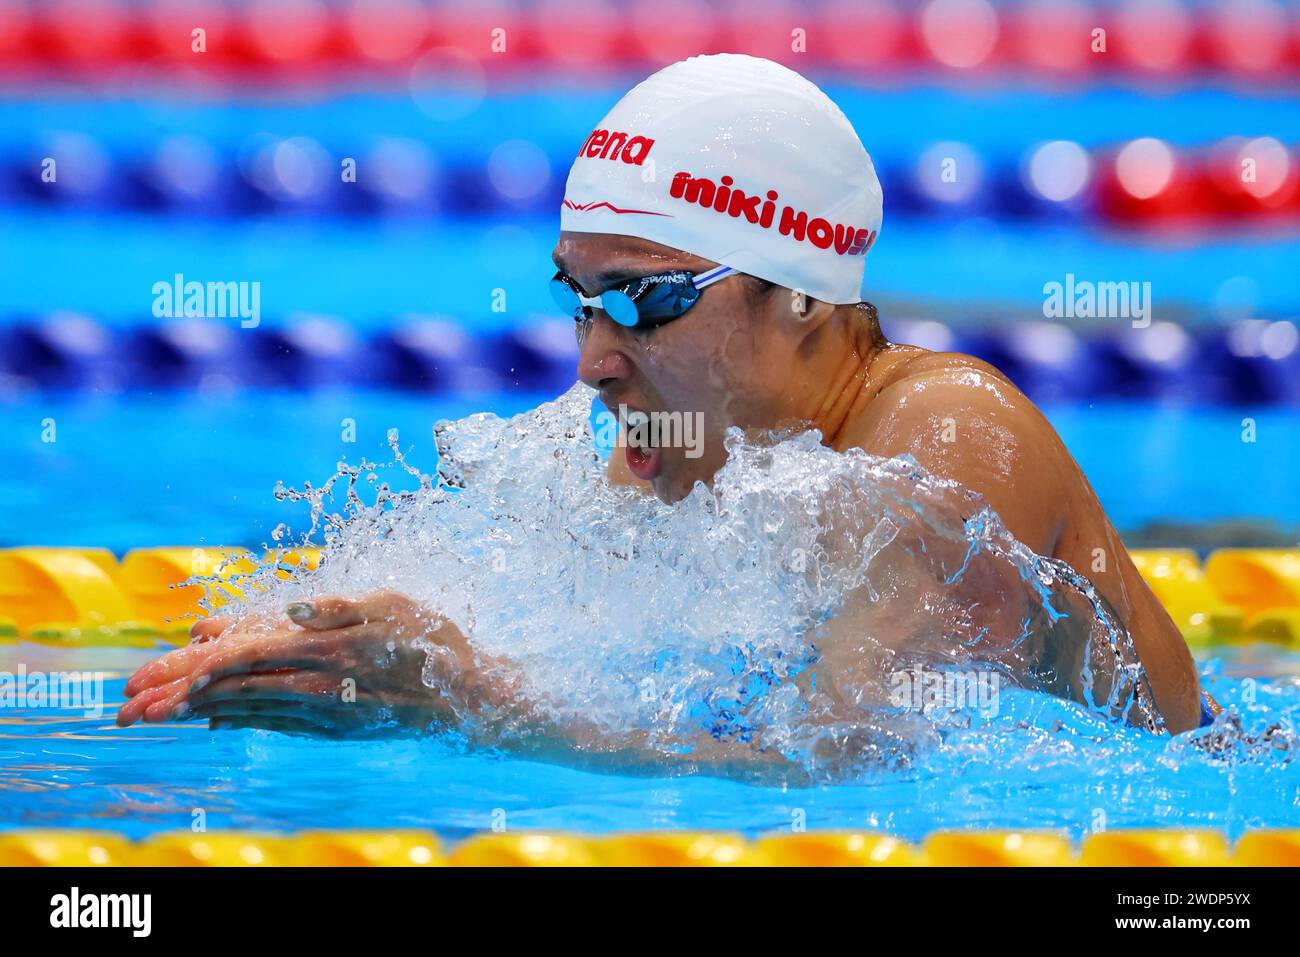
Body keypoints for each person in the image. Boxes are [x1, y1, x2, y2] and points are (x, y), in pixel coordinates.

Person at [117, 54, 1215, 752]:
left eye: (644, 302)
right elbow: (545, 635)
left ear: (798, 296)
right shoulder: (692, 448)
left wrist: (465, 697)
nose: (596, 363)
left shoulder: (949, 439)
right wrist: (344, 645)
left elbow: (842, 768)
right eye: (582, 303)